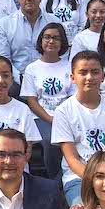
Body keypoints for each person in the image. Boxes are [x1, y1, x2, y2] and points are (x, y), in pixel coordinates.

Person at [52, 51, 105, 207]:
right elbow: (72, 160)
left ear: (103, 76)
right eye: (83, 72)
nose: (89, 77)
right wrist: (99, 182)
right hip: (79, 179)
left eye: (95, 72)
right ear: (72, 77)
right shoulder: (63, 111)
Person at [21, 23, 74, 178]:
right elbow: (32, 101)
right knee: (51, 140)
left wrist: (61, 118)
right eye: (47, 37)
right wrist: (51, 119)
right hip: (41, 118)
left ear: (62, 42)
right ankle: (54, 180)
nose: (51, 41)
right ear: (41, 41)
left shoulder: (70, 67)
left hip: (67, 116)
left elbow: (72, 97)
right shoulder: (32, 68)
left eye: (56, 38)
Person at [0, 0, 60, 78]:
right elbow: (2, 60)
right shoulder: (5, 24)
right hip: (16, 80)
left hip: (49, 78)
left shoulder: (54, 22)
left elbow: (61, 54)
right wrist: (21, 79)